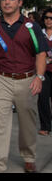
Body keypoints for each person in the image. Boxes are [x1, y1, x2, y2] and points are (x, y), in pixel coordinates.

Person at [0, 0, 48, 173]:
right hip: (1, 80)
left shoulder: (32, 27)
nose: (7, 2)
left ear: (20, 2)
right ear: (0, 2)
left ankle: (29, 156)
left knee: (28, 123)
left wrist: (39, 77)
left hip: (27, 80)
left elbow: (41, 53)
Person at [38, 8, 52, 136]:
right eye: (46, 18)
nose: (48, 20)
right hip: (44, 71)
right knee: (42, 99)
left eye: (51, 18)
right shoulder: (39, 34)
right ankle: (45, 126)